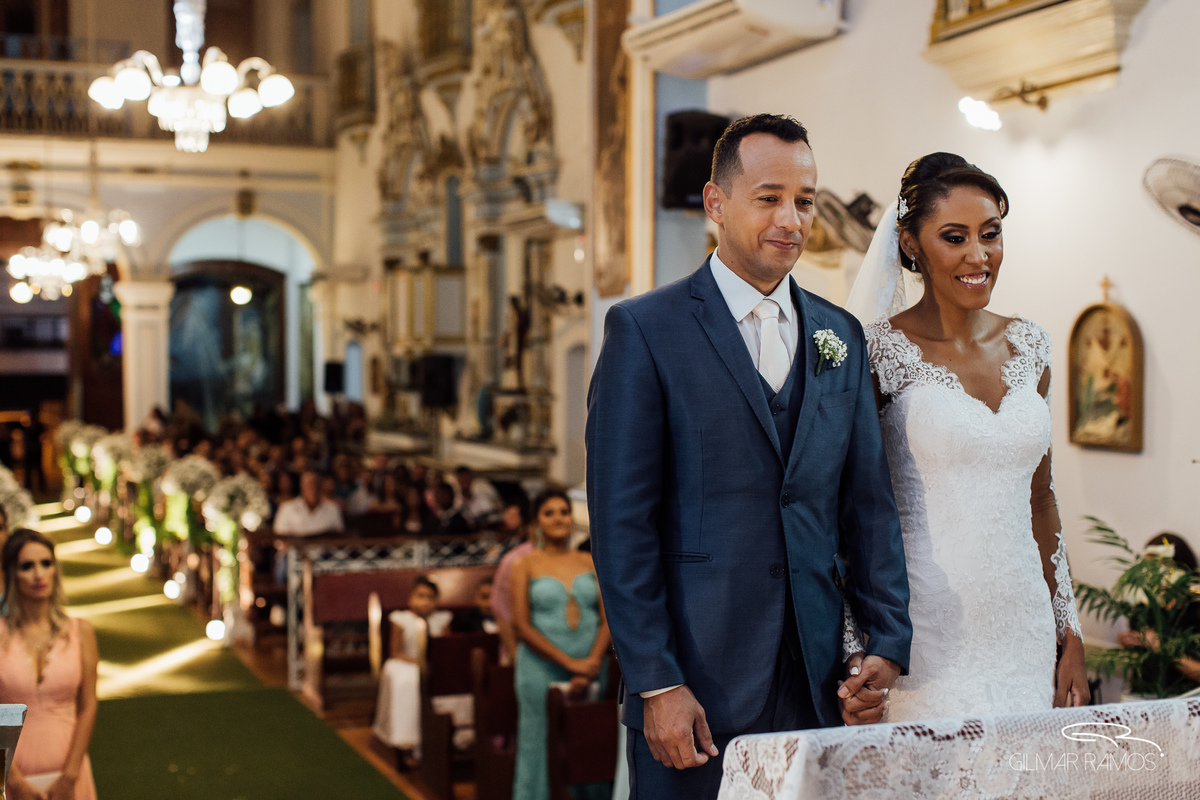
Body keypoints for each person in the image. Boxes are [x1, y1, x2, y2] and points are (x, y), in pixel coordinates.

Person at [587, 113, 912, 798]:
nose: (791, 218)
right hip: (696, 688)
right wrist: (658, 681)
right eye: (769, 197)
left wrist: (883, 642)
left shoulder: (840, 334)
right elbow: (623, 528)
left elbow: (868, 508)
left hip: (820, 683)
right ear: (716, 204)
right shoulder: (645, 330)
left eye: (805, 200)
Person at [844, 152, 1090, 719]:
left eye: (991, 234)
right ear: (910, 243)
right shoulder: (875, 352)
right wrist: (857, 647)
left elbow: (1041, 498)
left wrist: (1069, 631)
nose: (979, 256)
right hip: (926, 641)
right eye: (954, 237)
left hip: (1025, 632)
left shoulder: (1032, 345)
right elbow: (848, 508)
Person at [511, 490, 612, 800]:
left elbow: (608, 620)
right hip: (540, 668)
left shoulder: (590, 560)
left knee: (590, 740)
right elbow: (521, 626)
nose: (558, 518)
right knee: (538, 741)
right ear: (537, 522)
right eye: (549, 512)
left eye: (564, 512)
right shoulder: (525, 564)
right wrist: (570, 664)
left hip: (592, 667)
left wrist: (591, 664)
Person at [0, 529, 98, 800]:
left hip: (71, 771)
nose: (38, 574)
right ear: (11, 574)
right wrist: (14, 781)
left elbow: (88, 704)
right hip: (10, 775)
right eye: (26, 566)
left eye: (46, 563)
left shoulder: (81, 631)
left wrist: (70, 776)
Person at [372, 576, 455, 764]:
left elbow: (447, 647)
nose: (425, 602)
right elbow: (395, 651)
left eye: (430, 597)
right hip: (406, 662)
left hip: (435, 662)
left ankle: (447, 735)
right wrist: (417, 662)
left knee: (449, 678)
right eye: (420, 596)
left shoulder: (442, 619)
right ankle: (407, 738)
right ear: (411, 598)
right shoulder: (401, 619)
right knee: (407, 681)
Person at [491, 502, 534, 664]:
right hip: (525, 652)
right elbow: (501, 611)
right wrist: (515, 654)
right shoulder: (514, 560)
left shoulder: (576, 558)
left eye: (565, 513)